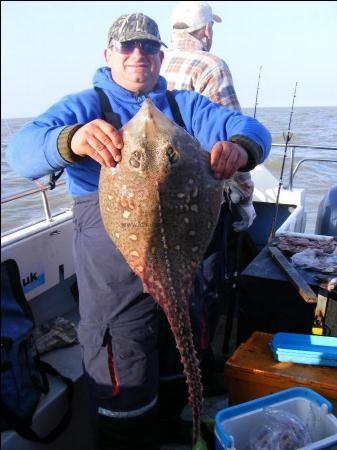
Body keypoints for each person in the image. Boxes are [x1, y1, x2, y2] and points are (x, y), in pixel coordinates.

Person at [7, 12, 271, 450]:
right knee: (123, 358)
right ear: (108, 54)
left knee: (180, 342)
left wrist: (239, 149)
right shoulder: (86, 105)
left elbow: (249, 129)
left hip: (184, 254)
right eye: (126, 47)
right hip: (113, 262)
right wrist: (71, 140)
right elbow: (21, 153)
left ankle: (176, 421)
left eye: (148, 47)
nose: (137, 55)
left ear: (161, 56)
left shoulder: (185, 105)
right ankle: (128, 435)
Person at [161, 0, 257, 385]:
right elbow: (231, 141)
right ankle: (199, 368)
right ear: (205, 31)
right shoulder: (211, 65)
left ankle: (170, 365)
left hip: (162, 201)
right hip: (200, 199)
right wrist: (245, 200)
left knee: (170, 285)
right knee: (205, 285)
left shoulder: (154, 65)